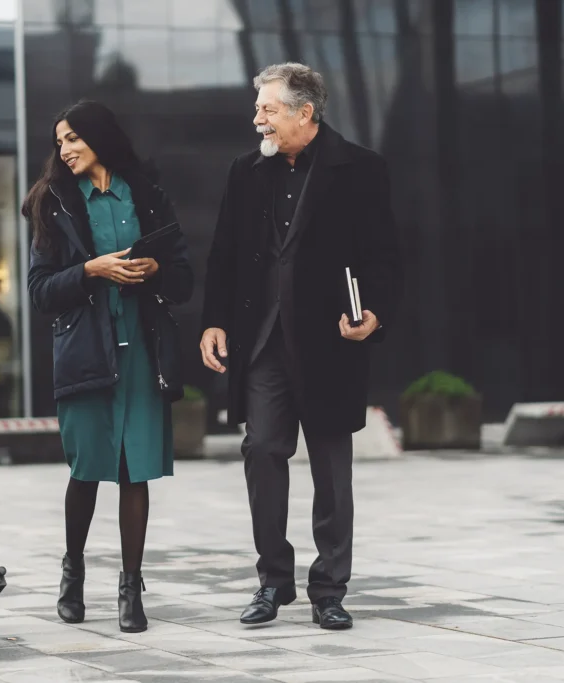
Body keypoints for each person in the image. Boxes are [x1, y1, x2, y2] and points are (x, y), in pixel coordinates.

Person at [201, 63, 403, 630]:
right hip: (262, 341)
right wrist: (213, 321)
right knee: (262, 449)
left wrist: (376, 315)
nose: (257, 118)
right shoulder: (246, 172)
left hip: (331, 343)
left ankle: (330, 590)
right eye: (258, 108)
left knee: (332, 471)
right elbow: (224, 254)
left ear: (304, 113)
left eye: (267, 108)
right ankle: (272, 581)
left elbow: (386, 257)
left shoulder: (361, 169)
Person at [25, 100, 193, 633]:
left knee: (133, 470)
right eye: (59, 142)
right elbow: (40, 291)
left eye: (72, 137)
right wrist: (90, 270)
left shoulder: (146, 193)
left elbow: (185, 278)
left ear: (98, 136)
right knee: (87, 470)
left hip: (142, 353)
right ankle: (72, 574)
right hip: (85, 354)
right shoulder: (52, 204)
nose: (64, 149)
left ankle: (130, 588)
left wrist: (157, 269)